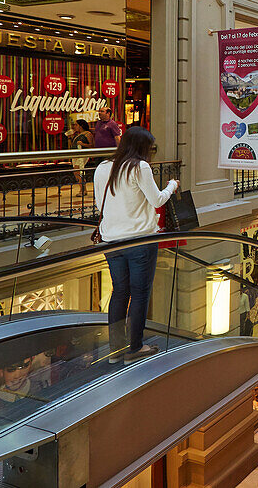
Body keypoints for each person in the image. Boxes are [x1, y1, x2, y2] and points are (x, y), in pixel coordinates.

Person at [95, 127, 178, 364]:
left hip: (111, 240)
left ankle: (115, 351)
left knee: (120, 292)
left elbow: (99, 203)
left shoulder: (102, 168)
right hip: (139, 240)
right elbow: (157, 199)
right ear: (141, 147)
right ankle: (135, 348)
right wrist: (172, 185)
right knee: (140, 294)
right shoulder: (139, 167)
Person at [65, 119, 93, 194]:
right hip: (75, 155)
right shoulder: (77, 134)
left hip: (82, 155)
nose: (75, 126)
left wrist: (83, 144)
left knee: (79, 171)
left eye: (76, 125)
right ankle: (82, 188)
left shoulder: (88, 134)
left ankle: (83, 189)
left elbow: (91, 145)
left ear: (81, 126)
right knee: (76, 172)